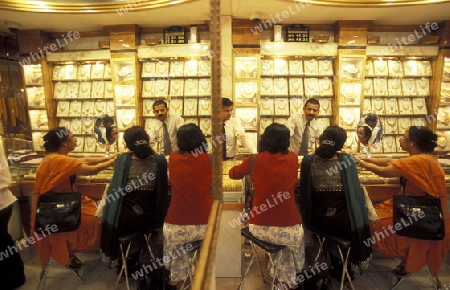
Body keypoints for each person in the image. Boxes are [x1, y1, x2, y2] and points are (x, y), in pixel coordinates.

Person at [357, 126, 450, 280]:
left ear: (412, 143)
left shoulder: (418, 160)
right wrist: (364, 158)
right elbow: (389, 160)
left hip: (419, 212)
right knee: (374, 213)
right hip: (417, 207)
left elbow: (384, 171)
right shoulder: (423, 157)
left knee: (374, 221)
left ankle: (404, 256)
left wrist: (361, 163)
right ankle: (405, 260)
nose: (400, 139)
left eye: (404, 137)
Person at [229, 123, 304, 289]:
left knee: (277, 241)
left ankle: (277, 270)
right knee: (286, 242)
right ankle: (284, 278)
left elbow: (233, 174)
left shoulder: (255, 159)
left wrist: (245, 165)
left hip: (259, 227)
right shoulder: (292, 158)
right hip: (289, 228)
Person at [31, 127, 116, 270]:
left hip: (61, 204)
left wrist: (110, 158)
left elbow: (86, 160)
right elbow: (91, 169)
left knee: (98, 210)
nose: (76, 139)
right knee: (100, 218)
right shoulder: (58, 159)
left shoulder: (56, 157)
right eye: (72, 137)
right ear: (64, 143)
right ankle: (80, 248)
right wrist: (114, 161)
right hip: (58, 210)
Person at [299, 125, 372, 283]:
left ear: (321, 140)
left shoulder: (308, 161)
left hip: (317, 221)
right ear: (340, 145)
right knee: (351, 219)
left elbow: (305, 194)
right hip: (343, 224)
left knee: (326, 227)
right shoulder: (346, 160)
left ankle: (327, 263)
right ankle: (339, 264)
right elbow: (355, 195)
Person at [100, 126, 169, 288]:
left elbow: (114, 190)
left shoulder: (123, 160)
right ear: (147, 139)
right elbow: (163, 192)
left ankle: (130, 262)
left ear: (127, 144)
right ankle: (142, 262)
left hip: (125, 221)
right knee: (148, 230)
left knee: (122, 221)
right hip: (149, 219)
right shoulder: (159, 160)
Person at [163, 123, 212, 289]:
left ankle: (178, 279)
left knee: (178, 254)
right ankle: (201, 275)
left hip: (176, 225)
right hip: (204, 225)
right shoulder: (208, 159)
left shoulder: (174, 158)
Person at [0, 142, 26, 289]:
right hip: (4, 200)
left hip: (2, 202)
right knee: (4, 240)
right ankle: (14, 277)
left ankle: (13, 278)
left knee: (3, 241)